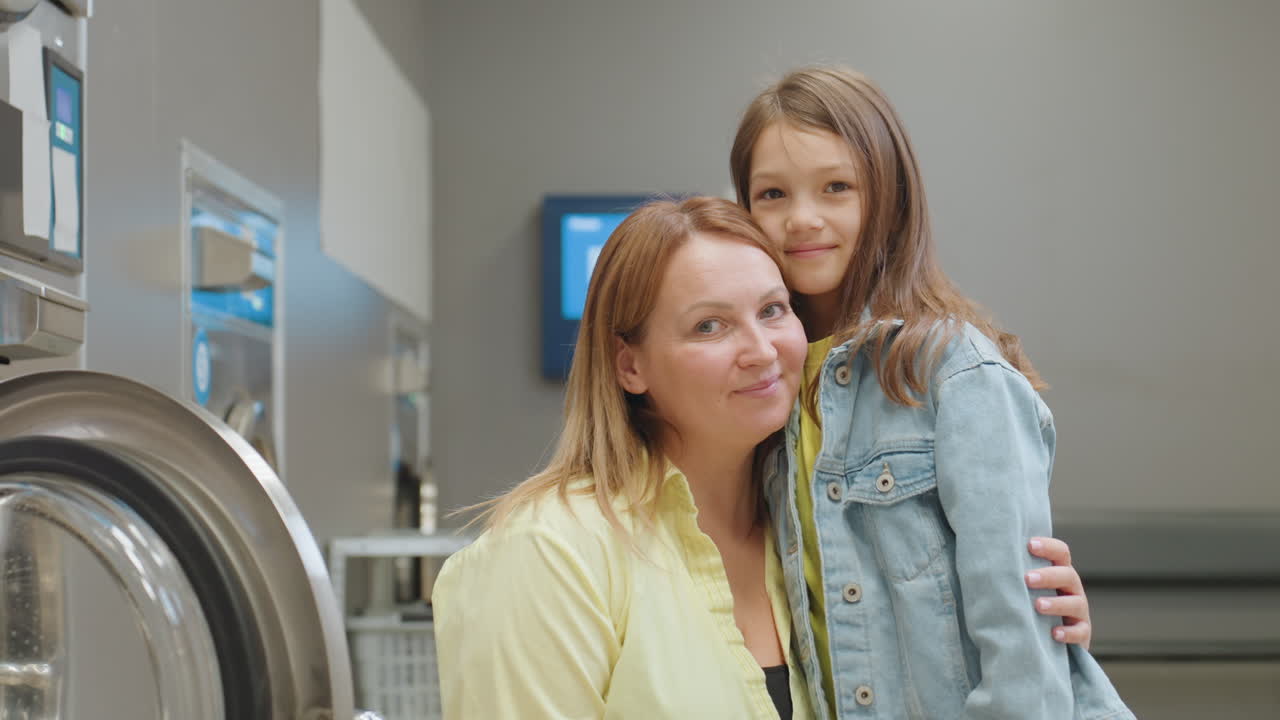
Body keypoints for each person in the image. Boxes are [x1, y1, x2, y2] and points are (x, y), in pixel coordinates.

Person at [432, 197, 1094, 719]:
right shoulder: (550, 552)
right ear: (629, 364)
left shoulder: (807, 540)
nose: (760, 349)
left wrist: (1038, 620)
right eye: (709, 326)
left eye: (773, 310)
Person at [729, 66, 1131, 719]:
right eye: (772, 194)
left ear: (889, 196)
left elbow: (1020, 650)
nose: (801, 218)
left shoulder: (954, 371)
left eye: (836, 186)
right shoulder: (764, 385)